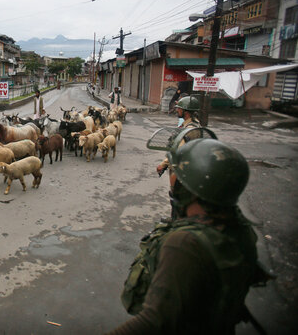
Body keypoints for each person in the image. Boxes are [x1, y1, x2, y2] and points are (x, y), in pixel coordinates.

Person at [109, 132, 269, 334]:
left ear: (190, 186)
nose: (172, 182)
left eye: (177, 176)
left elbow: (153, 322)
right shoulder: (241, 230)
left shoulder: (185, 244)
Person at [156, 96, 201, 177]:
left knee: (175, 189)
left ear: (186, 112)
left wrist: (163, 164)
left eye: (179, 108)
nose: (177, 110)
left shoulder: (190, 129)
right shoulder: (192, 124)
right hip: (187, 166)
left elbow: (178, 151)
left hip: (182, 169)